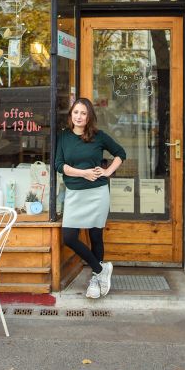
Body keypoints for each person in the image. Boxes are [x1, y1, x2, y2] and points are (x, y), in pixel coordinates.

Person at [55, 97, 126, 299]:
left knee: (96, 236)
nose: (79, 116)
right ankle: (102, 269)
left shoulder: (99, 136)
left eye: (83, 113)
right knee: (69, 237)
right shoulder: (64, 137)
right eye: (76, 112)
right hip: (75, 194)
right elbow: (59, 165)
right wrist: (83, 173)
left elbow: (120, 153)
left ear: (89, 117)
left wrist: (107, 172)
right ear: (71, 115)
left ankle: (95, 278)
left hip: (97, 193)